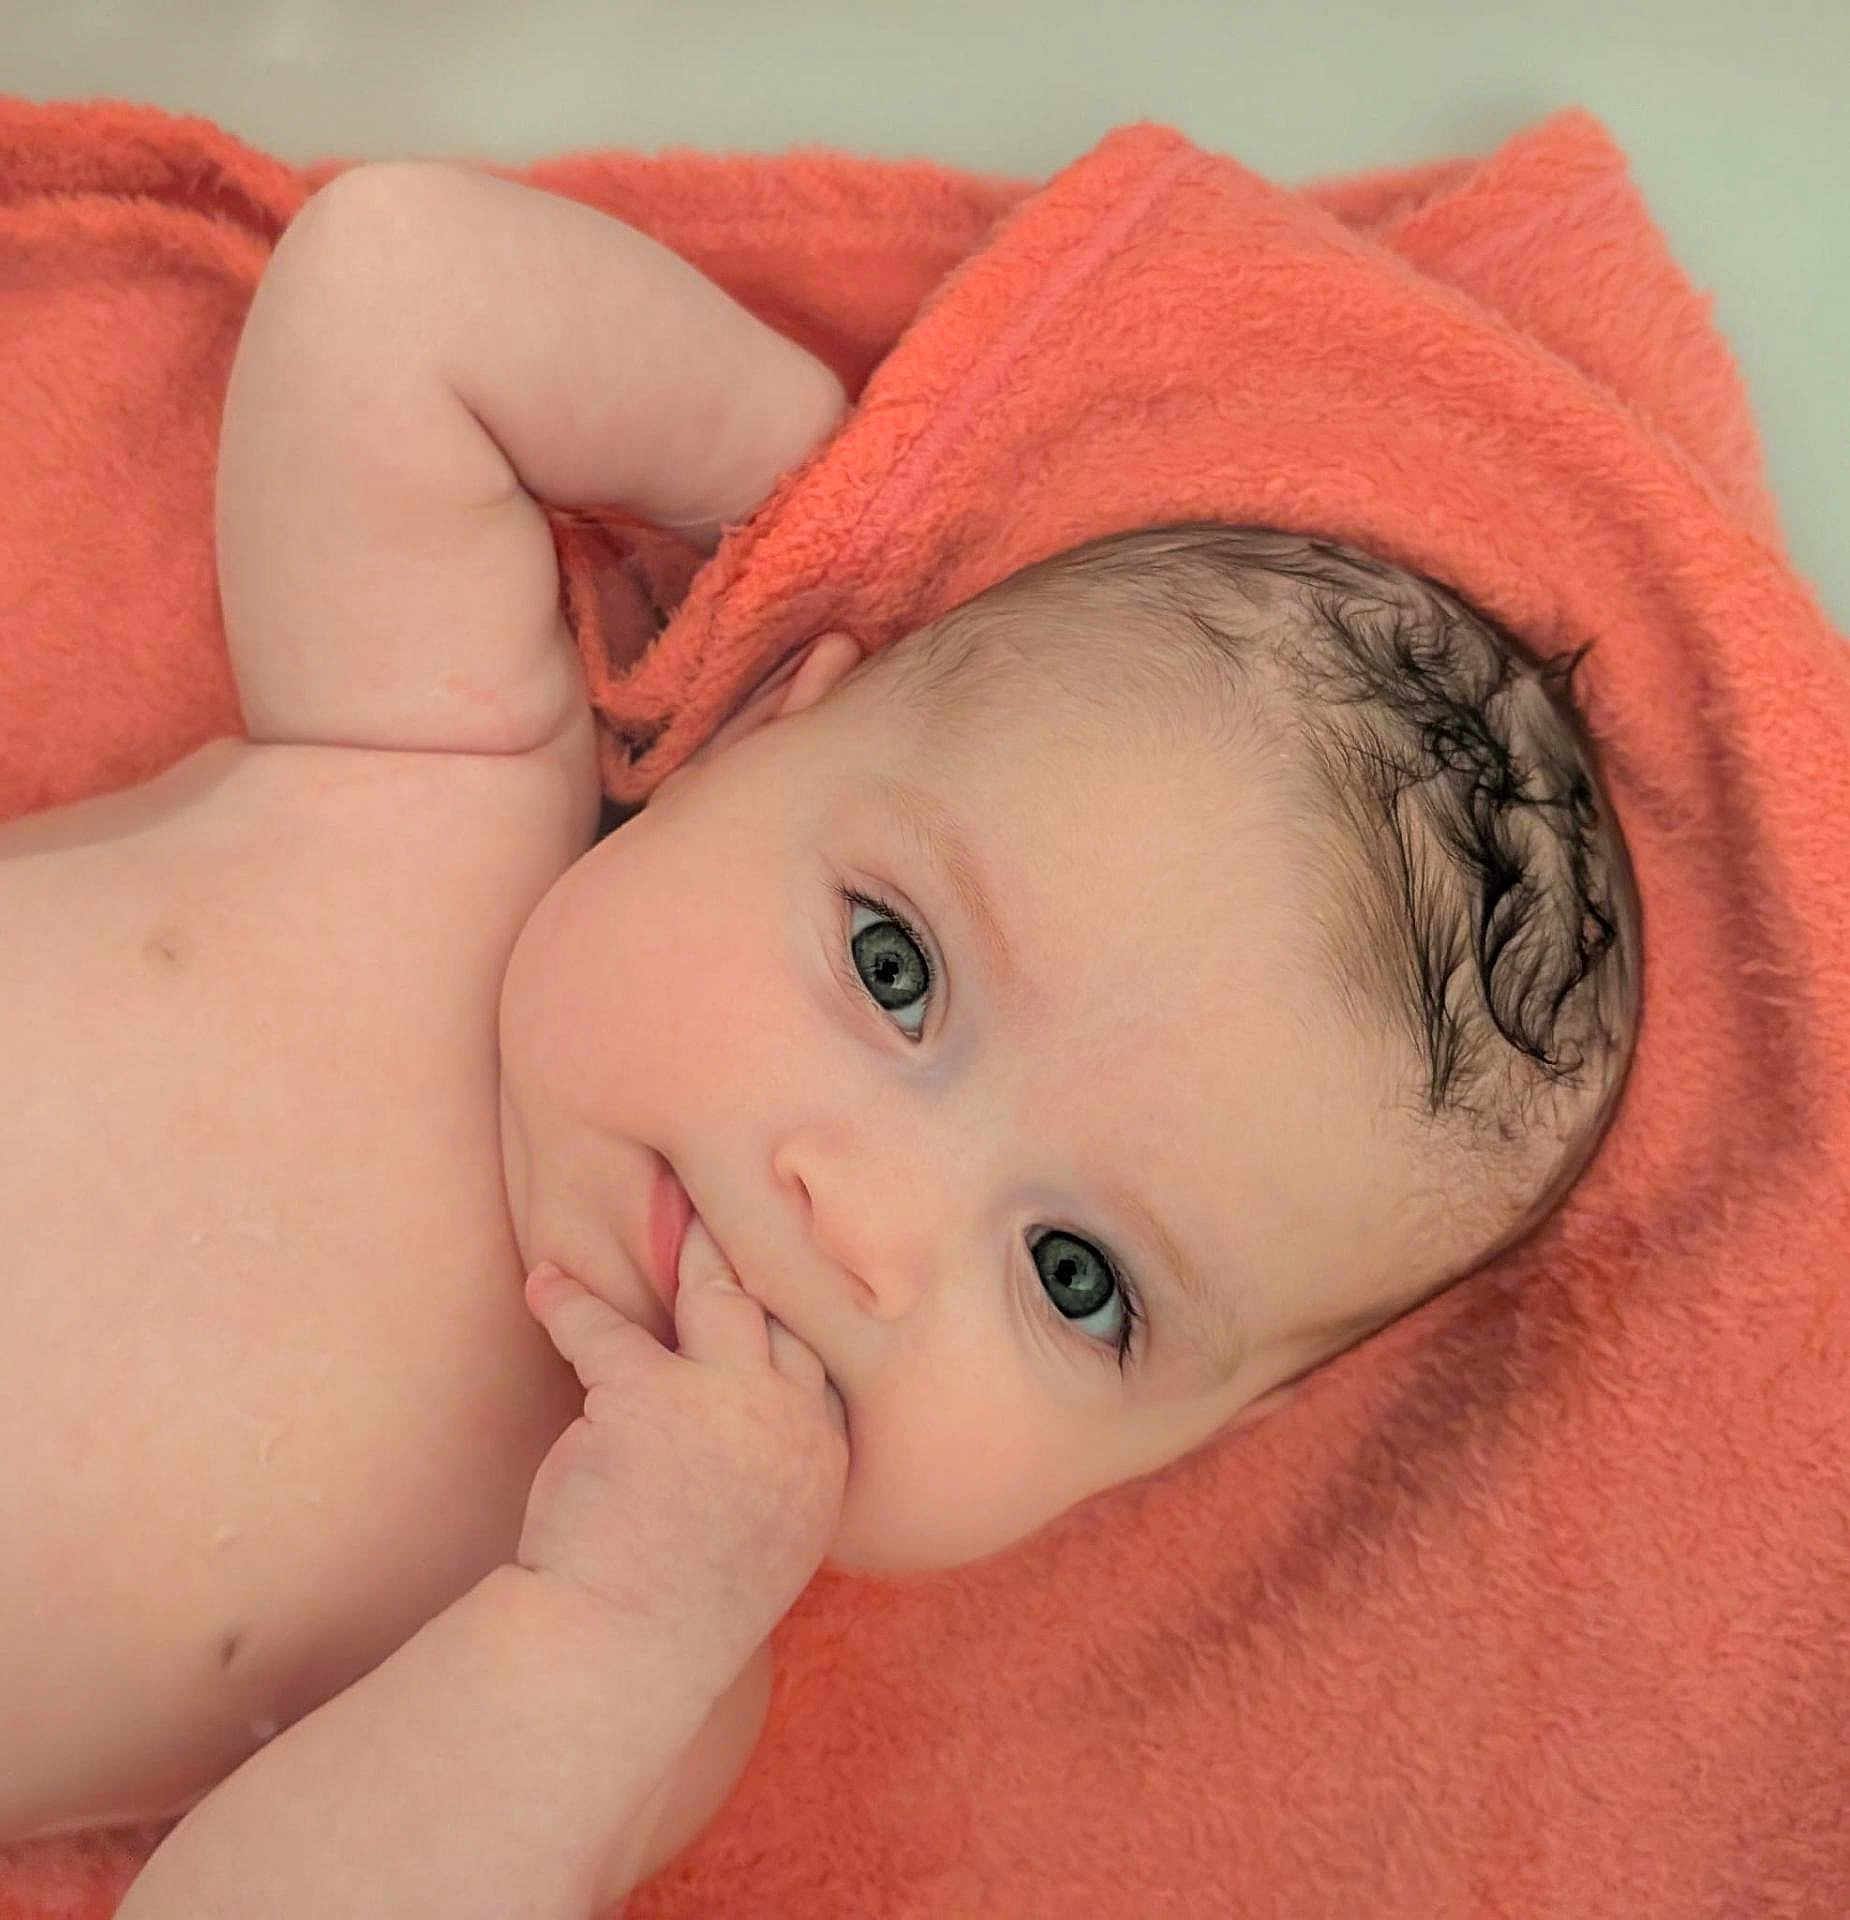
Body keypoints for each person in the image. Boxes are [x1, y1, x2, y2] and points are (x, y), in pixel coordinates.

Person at [0, 159, 1640, 1915]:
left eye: (1077, 1278)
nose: (857, 1226)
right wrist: (802, 511)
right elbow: (394, 279)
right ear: (766, 732)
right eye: (892, 966)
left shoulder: (646, 1674)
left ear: (1160, 1461)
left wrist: (600, 1635)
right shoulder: (433, 777)